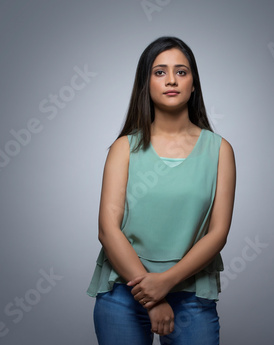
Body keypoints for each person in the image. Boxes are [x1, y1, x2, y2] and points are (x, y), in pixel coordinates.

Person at [86, 36, 236, 345]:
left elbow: (218, 234)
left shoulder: (219, 150)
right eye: (159, 72)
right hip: (123, 293)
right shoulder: (123, 149)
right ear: (146, 84)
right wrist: (152, 298)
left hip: (191, 294)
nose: (171, 80)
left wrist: (165, 283)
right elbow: (107, 229)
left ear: (193, 84)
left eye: (181, 72)